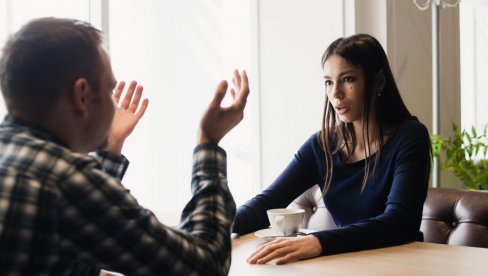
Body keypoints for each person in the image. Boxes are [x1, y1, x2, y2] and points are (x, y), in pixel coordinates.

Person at [0, 17, 249, 275]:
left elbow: (82, 226)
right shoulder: (66, 182)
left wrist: (110, 147)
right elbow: (204, 265)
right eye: (110, 91)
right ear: (82, 95)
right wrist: (208, 142)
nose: (114, 105)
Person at [233, 33, 431, 265]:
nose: (335, 93)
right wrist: (212, 224)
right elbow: (265, 203)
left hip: (402, 264)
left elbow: (398, 222)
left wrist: (319, 242)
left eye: (348, 79)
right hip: (345, 262)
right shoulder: (322, 145)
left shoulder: (410, 136)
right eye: (328, 82)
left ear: (379, 81)